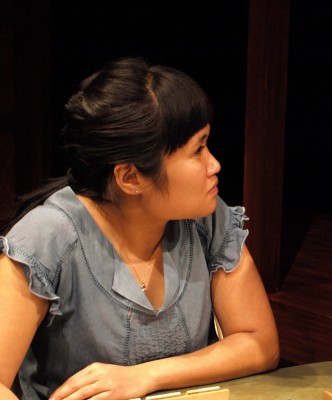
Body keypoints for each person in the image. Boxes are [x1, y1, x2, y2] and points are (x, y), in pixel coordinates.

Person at [0, 57, 279, 400]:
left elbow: (259, 343)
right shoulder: (47, 237)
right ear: (130, 178)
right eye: (198, 150)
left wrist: (145, 376)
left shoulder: (207, 219)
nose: (214, 164)